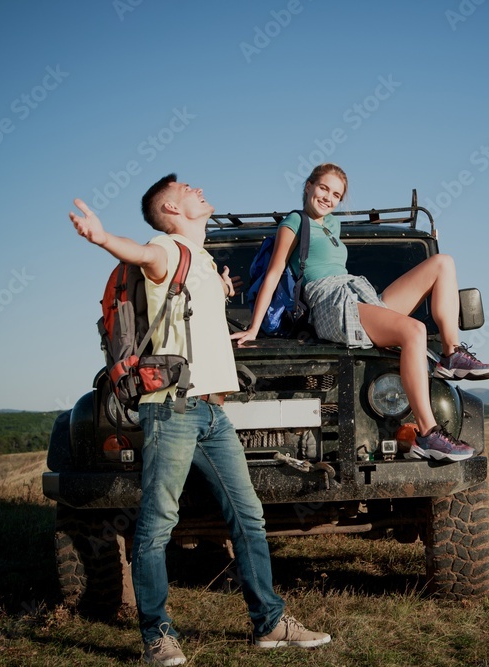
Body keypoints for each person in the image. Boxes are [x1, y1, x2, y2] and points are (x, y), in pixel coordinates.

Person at [70, 174, 331, 666]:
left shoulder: (204, 262)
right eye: (188, 188)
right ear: (170, 208)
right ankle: (158, 637)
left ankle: (270, 623)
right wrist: (104, 239)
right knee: (156, 525)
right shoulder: (164, 247)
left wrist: (222, 288)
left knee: (248, 514)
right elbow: (143, 257)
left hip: (212, 411)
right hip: (172, 408)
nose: (199, 189)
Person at [231, 163, 489, 462]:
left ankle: (451, 352)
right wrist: (254, 328)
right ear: (308, 186)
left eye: (336, 194)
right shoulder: (294, 222)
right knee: (414, 331)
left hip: (356, 292)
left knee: (443, 263)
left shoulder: (332, 225)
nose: (328, 198)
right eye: (323, 188)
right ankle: (428, 433)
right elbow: (275, 271)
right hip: (329, 301)